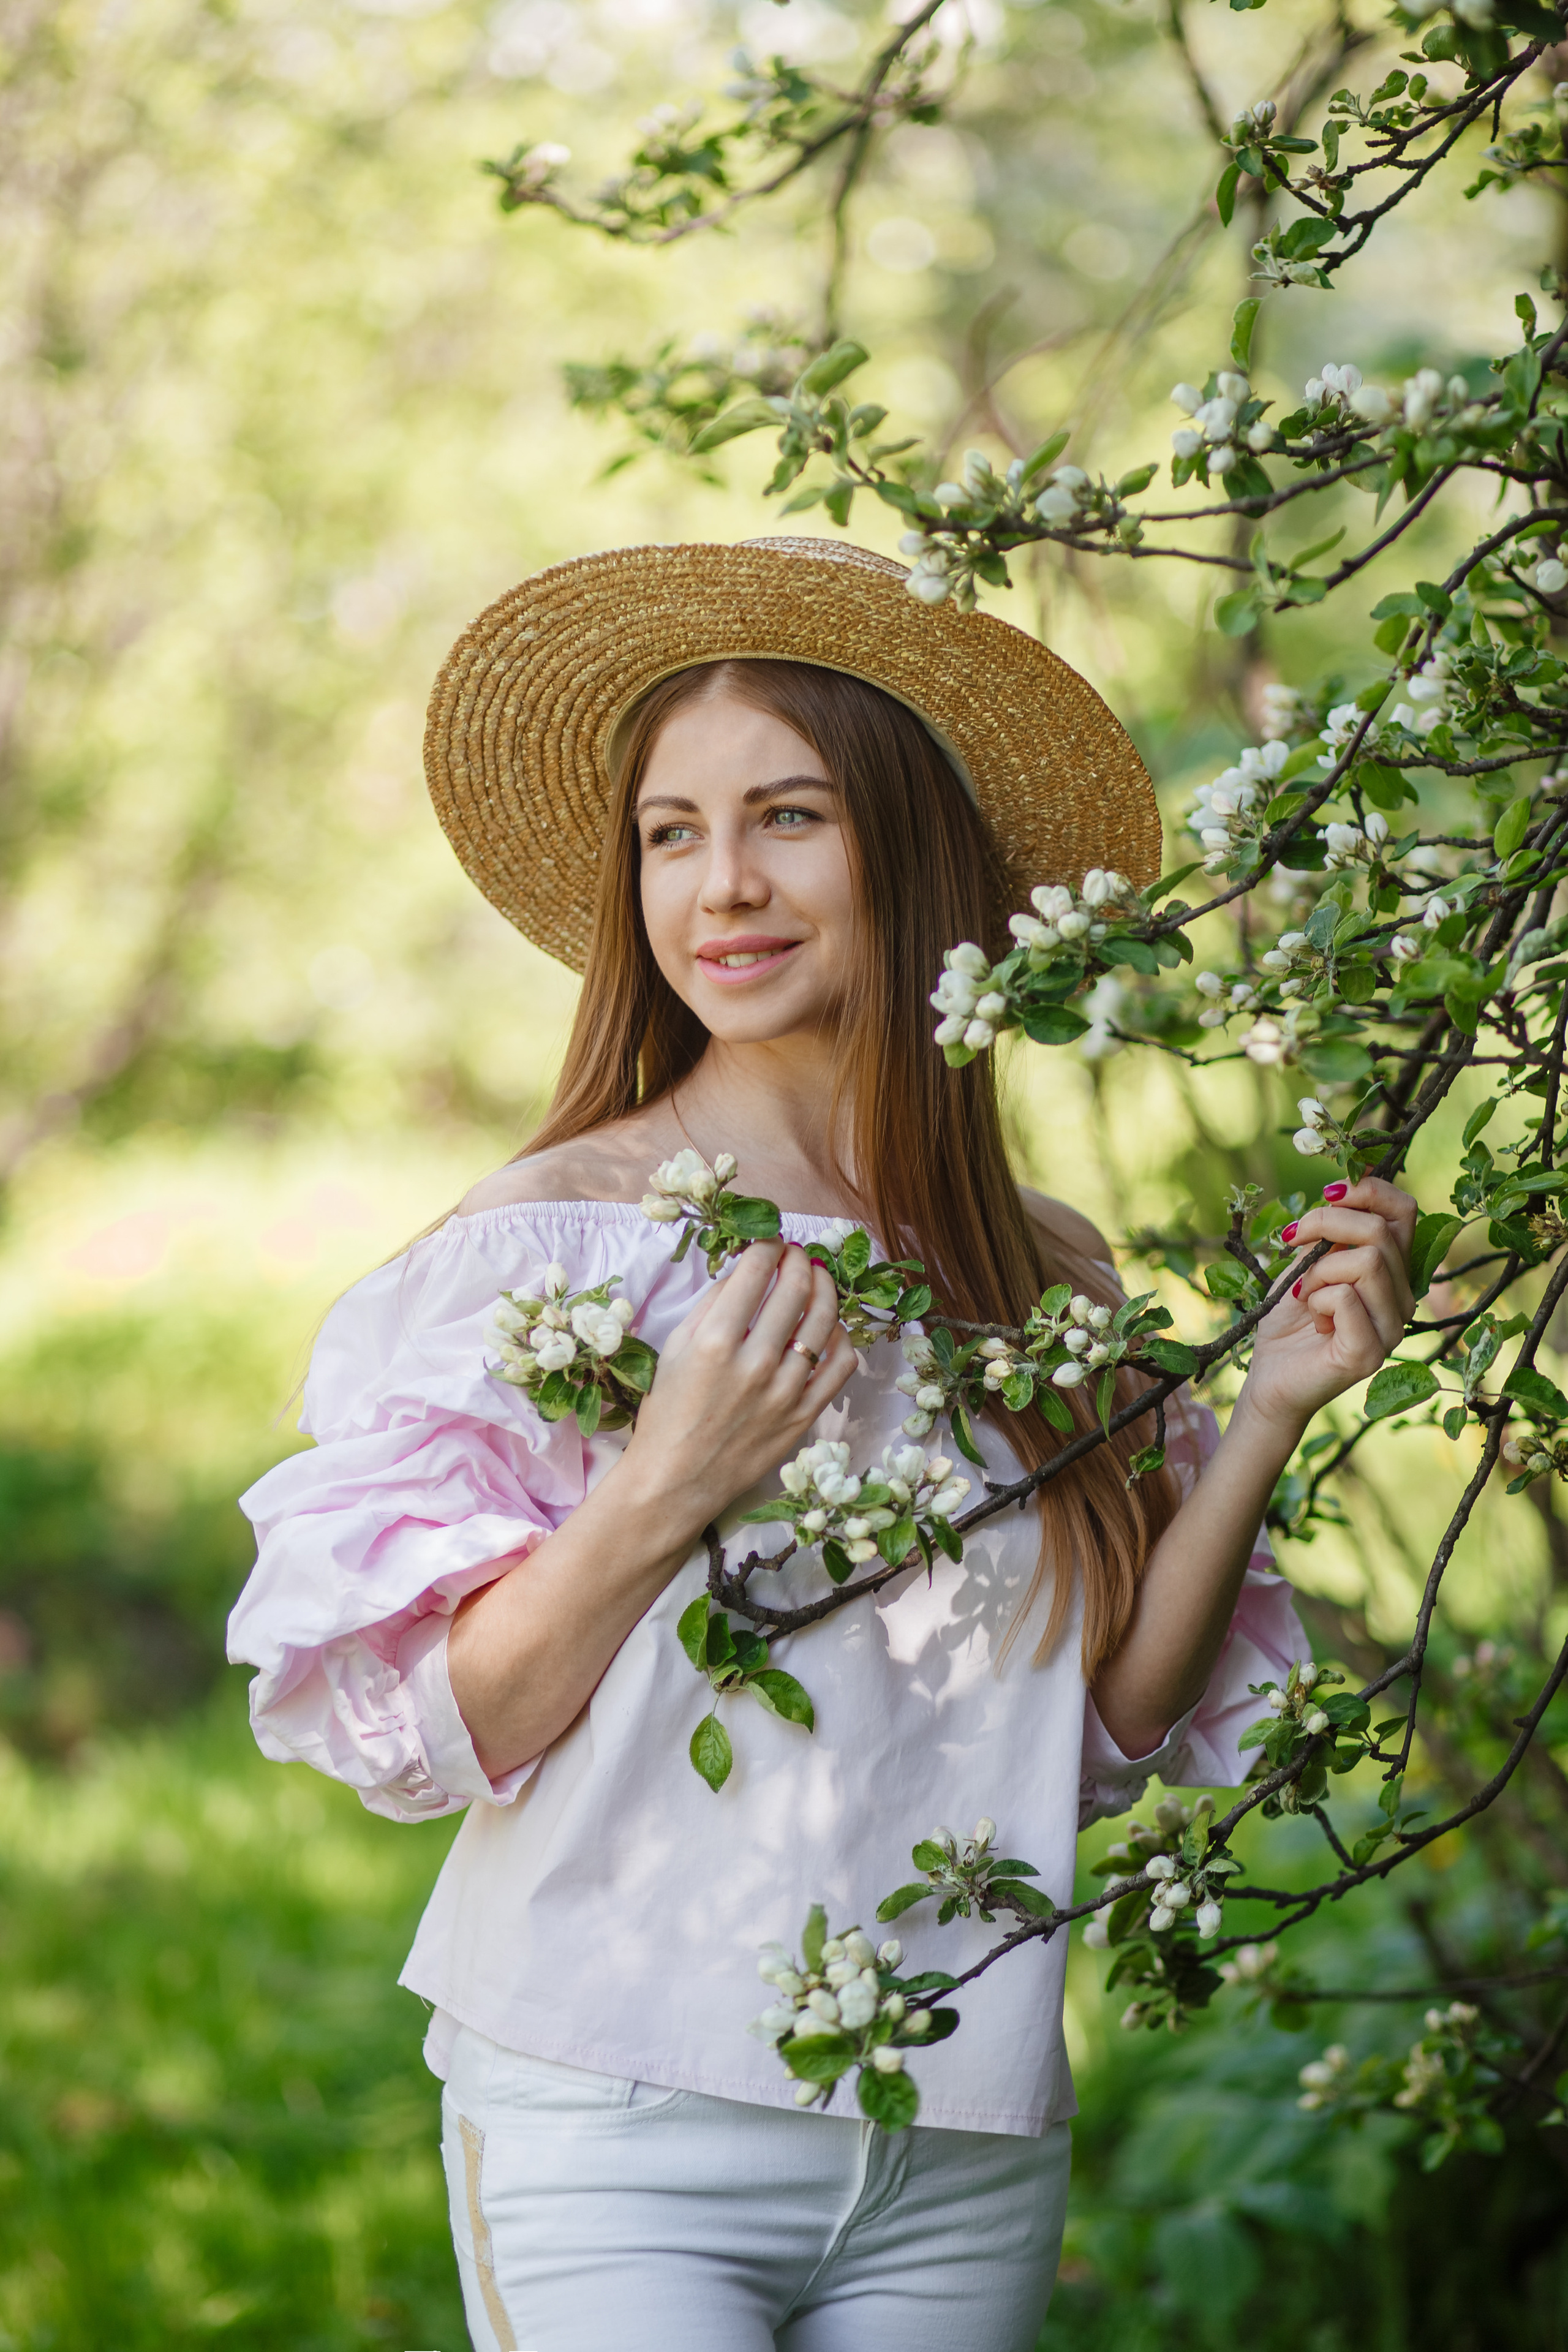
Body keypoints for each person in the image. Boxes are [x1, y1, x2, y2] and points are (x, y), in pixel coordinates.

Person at [228, 539, 1416, 2352]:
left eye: (788, 817)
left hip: (957, 2136)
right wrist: (667, 1485)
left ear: (911, 853)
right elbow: (430, 1732)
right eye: (672, 832)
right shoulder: (550, 1250)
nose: (722, 885)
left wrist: (1263, 1413)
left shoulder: (1046, 1273)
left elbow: (1092, 1734)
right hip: (620, 2118)